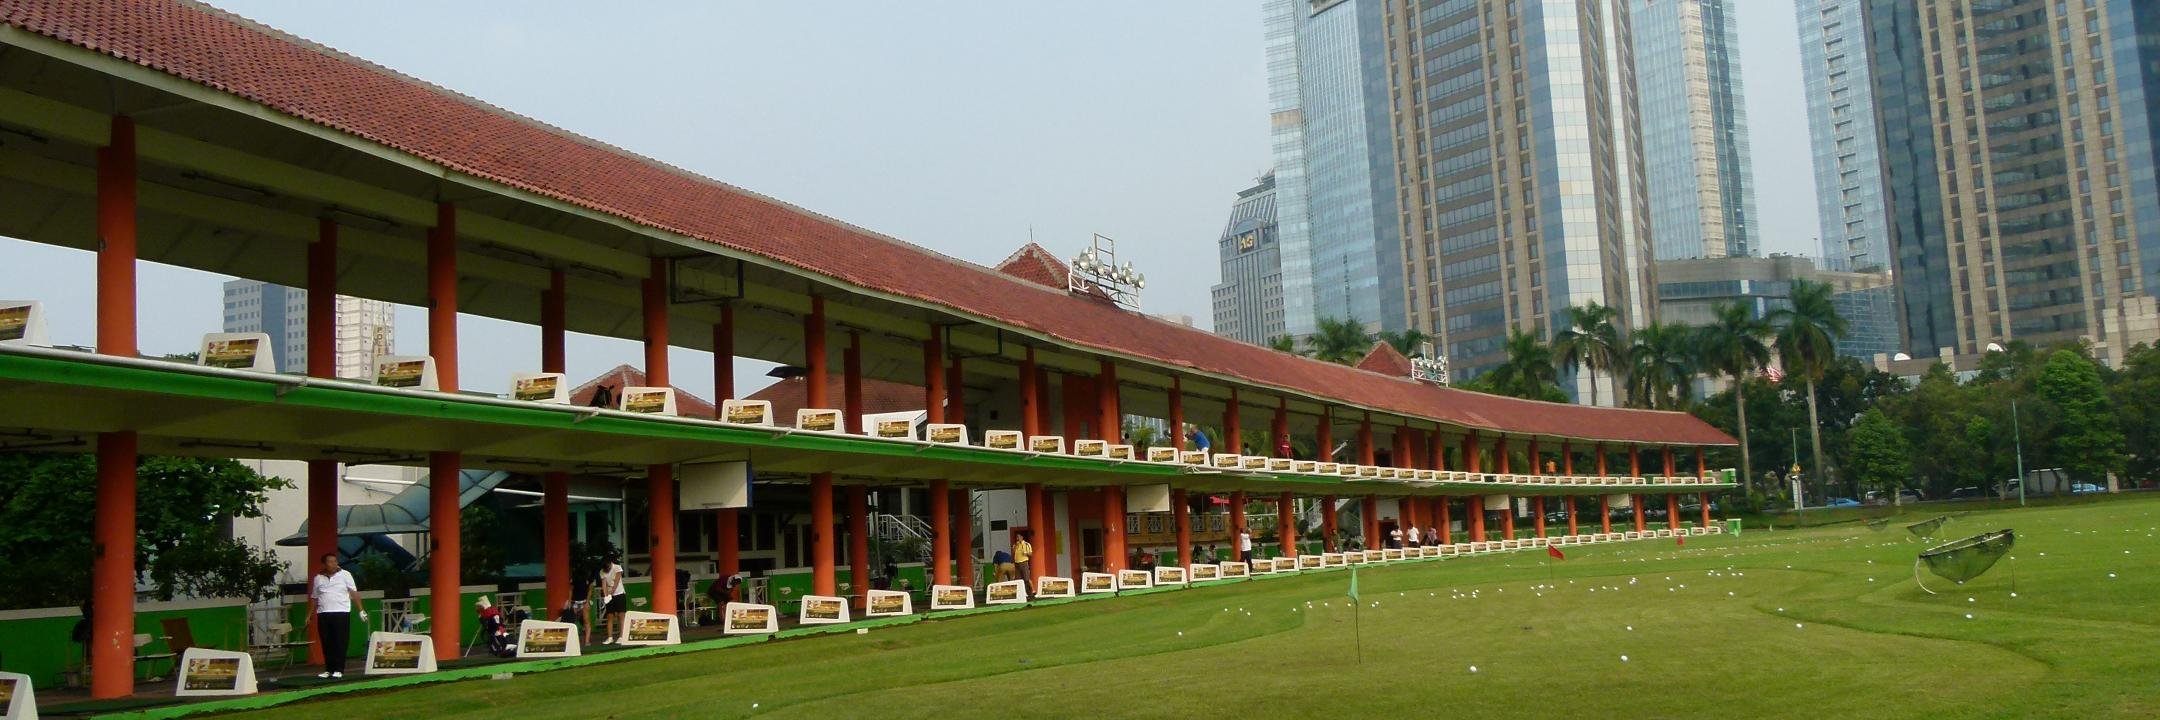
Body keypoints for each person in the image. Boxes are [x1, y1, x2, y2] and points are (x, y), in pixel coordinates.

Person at [307, 553, 365, 679]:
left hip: (341, 612)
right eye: (330, 562)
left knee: (340, 641)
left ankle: (339, 669)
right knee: (326, 642)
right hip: (323, 613)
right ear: (324, 564)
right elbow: (314, 597)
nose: (333, 564)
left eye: (335, 561)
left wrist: (361, 610)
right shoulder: (318, 578)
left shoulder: (345, 574)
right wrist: (309, 615)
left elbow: (354, 593)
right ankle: (329, 669)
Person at [598, 554, 627, 645]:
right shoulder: (602, 571)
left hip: (619, 593)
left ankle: (621, 637)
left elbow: (616, 582)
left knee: (621, 615)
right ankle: (610, 638)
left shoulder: (617, 567)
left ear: (610, 563)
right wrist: (606, 596)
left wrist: (611, 593)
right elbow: (604, 584)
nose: (607, 569)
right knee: (610, 616)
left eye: (608, 566)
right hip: (609, 595)